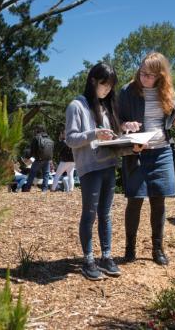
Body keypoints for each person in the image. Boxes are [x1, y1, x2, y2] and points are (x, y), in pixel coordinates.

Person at [119, 52, 175, 266]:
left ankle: (157, 248)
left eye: (150, 75)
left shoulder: (166, 92)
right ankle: (130, 248)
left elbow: (170, 124)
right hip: (137, 152)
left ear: (160, 75)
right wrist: (126, 126)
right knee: (135, 200)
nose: (145, 79)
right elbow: (117, 120)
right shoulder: (127, 91)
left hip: (162, 151)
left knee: (159, 200)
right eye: (142, 74)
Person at [66, 62, 126, 280]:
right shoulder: (77, 106)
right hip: (90, 168)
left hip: (109, 165)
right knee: (89, 214)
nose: (108, 90)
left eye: (111, 86)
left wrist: (125, 131)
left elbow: (111, 135)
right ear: (93, 81)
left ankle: (106, 257)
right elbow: (71, 139)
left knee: (106, 214)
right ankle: (88, 260)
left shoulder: (105, 105)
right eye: (105, 85)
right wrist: (94, 134)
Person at [22, 125, 54, 192]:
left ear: (38, 130)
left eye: (35, 129)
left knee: (32, 173)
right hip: (47, 159)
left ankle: (27, 188)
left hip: (38, 159)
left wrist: (28, 158)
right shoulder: (49, 138)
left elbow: (32, 150)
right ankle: (44, 190)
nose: (34, 131)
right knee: (46, 174)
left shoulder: (36, 138)